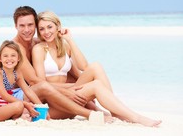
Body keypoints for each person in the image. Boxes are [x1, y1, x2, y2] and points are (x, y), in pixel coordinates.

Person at [32, 10, 162, 127]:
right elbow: (42, 83)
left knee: (95, 67)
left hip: (72, 95)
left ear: (57, 26)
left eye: (50, 27)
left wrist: (70, 40)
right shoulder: (39, 50)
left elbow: (84, 67)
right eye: (42, 29)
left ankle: (115, 111)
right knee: (96, 85)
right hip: (56, 101)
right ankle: (137, 118)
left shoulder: (65, 46)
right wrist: (70, 89)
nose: (46, 32)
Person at [11, 6, 101, 121]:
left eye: (30, 25)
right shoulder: (16, 47)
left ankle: (96, 109)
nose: (27, 30)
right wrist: (69, 91)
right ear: (15, 26)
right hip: (23, 96)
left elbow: (73, 72)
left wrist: (85, 85)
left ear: (35, 25)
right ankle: (91, 113)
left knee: (91, 72)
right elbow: (34, 81)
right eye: (22, 26)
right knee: (77, 86)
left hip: (43, 94)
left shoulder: (38, 43)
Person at [0, 40, 44, 121]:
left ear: (18, 58)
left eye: (13, 55)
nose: (9, 59)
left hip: (6, 107)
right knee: (19, 105)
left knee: (31, 108)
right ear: (0, 58)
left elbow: (28, 91)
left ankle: (16, 117)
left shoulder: (17, 73)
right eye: (5, 56)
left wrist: (42, 107)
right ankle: (17, 117)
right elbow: (5, 96)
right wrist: (25, 104)